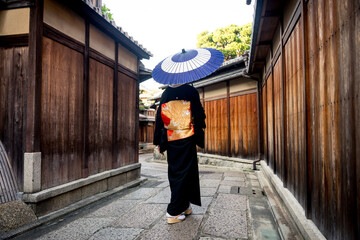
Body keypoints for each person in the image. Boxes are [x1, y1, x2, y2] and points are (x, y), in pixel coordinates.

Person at [153, 83, 206, 224]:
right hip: (186, 137)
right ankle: (173, 211)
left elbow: (159, 117)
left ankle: (185, 205)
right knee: (187, 172)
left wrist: (159, 141)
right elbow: (200, 115)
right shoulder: (190, 90)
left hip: (171, 139)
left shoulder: (166, 93)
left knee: (176, 172)